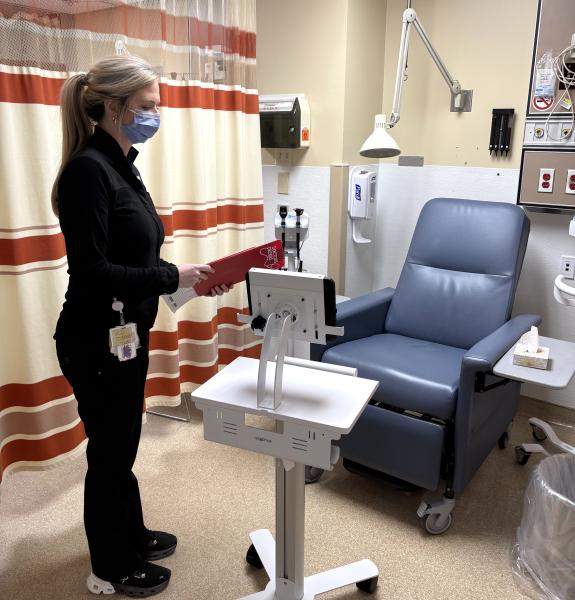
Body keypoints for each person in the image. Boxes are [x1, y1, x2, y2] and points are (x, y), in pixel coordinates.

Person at [51, 55, 231, 597]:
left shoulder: (122, 163)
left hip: (125, 335)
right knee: (109, 451)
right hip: (95, 339)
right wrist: (175, 273)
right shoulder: (88, 170)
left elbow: (138, 260)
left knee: (122, 442)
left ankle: (130, 531)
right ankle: (109, 565)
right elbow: (93, 271)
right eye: (147, 107)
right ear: (113, 107)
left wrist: (188, 281)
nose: (157, 116)